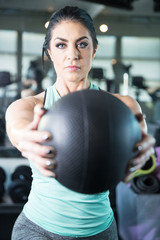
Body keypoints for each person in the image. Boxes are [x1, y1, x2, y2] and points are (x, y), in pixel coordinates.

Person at [5, 6, 155, 240]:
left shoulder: (123, 108)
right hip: (38, 229)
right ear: (49, 52)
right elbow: (17, 126)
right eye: (61, 45)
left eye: (82, 44)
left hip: (100, 231)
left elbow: (140, 147)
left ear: (94, 50)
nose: (72, 54)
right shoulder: (30, 107)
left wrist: (143, 152)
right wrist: (26, 137)